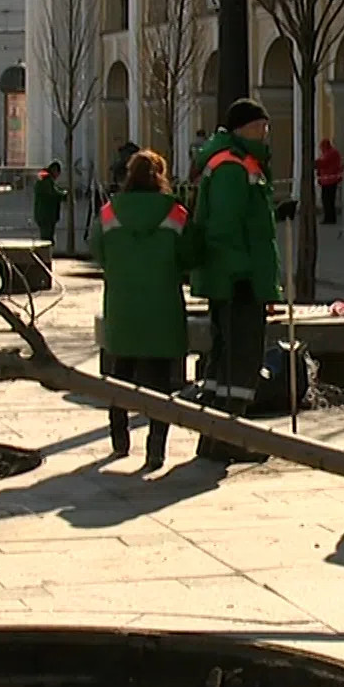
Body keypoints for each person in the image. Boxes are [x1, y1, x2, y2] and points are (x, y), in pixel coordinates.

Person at [191, 98, 283, 464]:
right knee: (241, 358)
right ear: (244, 127)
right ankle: (229, 437)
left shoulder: (234, 161)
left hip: (230, 276)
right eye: (260, 125)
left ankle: (213, 435)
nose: (265, 132)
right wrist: (242, 272)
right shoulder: (232, 165)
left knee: (224, 357)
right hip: (236, 278)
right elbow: (225, 227)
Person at [94, 150, 191, 470]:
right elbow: (190, 254)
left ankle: (119, 438)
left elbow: (97, 250)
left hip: (122, 305)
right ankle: (155, 450)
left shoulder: (110, 212)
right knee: (160, 382)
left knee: (120, 375)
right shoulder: (175, 212)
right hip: (162, 305)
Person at [33, 161, 68, 245]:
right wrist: (64, 194)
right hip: (46, 214)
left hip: (45, 213)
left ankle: (47, 253)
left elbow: (55, 190)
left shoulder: (46, 179)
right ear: (54, 171)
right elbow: (53, 193)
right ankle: (46, 254)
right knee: (47, 238)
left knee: (48, 236)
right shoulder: (46, 181)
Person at [315, 138, 344, 226]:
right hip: (327, 180)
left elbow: (323, 163)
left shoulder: (331, 153)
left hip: (330, 180)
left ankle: (329, 218)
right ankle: (329, 217)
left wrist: (314, 163)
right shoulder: (330, 153)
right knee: (328, 200)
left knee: (327, 200)